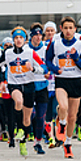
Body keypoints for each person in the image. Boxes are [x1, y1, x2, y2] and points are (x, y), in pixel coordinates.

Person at [46, 17, 81, 159]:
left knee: (73, 117)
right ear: (61, 29)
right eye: (66, 28)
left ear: (75, 29)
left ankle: (68, 143)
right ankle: (61, 124)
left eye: (71, 28)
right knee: (62, 107)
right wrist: (55, 69)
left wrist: (76, 58)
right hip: (61, 80)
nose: (68, 31)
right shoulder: (56, 44)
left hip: (76, 81)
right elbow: (48, 60)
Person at [0, 26, 45, 157]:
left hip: (29, 85)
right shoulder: (8, 53)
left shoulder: (30, 53)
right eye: (16, 38)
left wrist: (33, 69)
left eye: (21, 38)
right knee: (18, 102)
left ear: (25, 40)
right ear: (13, 39)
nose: (18, 40)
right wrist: (2, 80)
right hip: (14, 85)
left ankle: (23, 141)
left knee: (27, 119)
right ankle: (19, 130)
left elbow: (43, 68)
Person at [28, 23, 50, 154]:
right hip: (29, 84)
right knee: (31, 114)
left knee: (41, 116)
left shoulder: (46, 49)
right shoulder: (25, 49)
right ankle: (27, 135)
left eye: (40, 35)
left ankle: (38, 141)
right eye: (35, 35)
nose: (38, 37)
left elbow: (49, 65)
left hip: (42, 85)